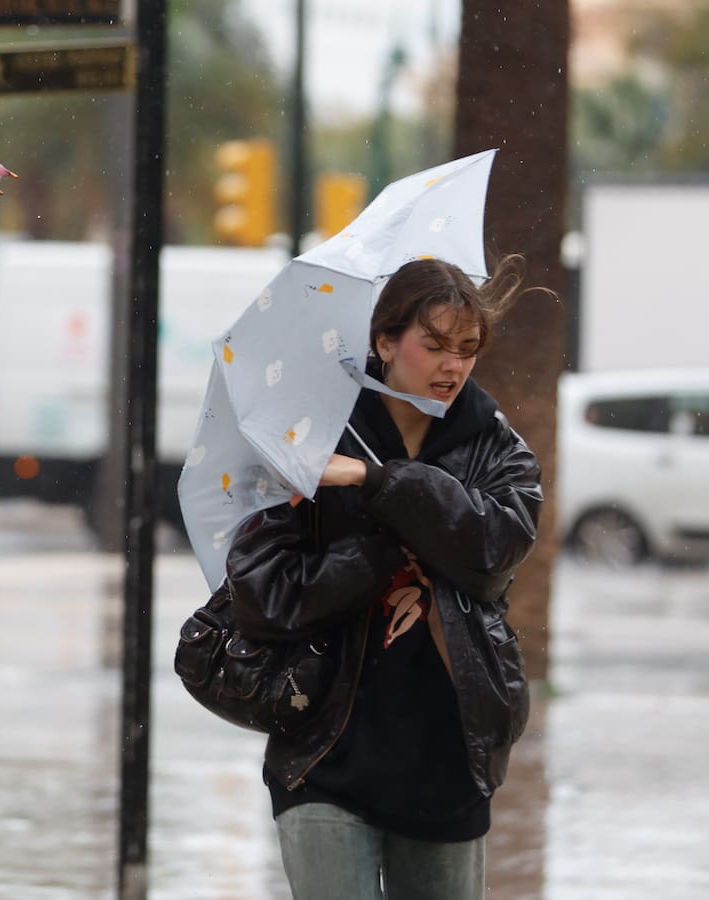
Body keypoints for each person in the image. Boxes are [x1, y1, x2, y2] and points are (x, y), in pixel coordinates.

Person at [226, 256, 542, 900]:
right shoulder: (305, 440)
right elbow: (265, 598)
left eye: (467, 349)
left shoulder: (497, 450)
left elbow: (490, 551)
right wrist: (387, 561)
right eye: (433, 346)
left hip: (448, 758)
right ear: (385, 342)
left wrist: (374, 481)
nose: (452, 366)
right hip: (324, 753)